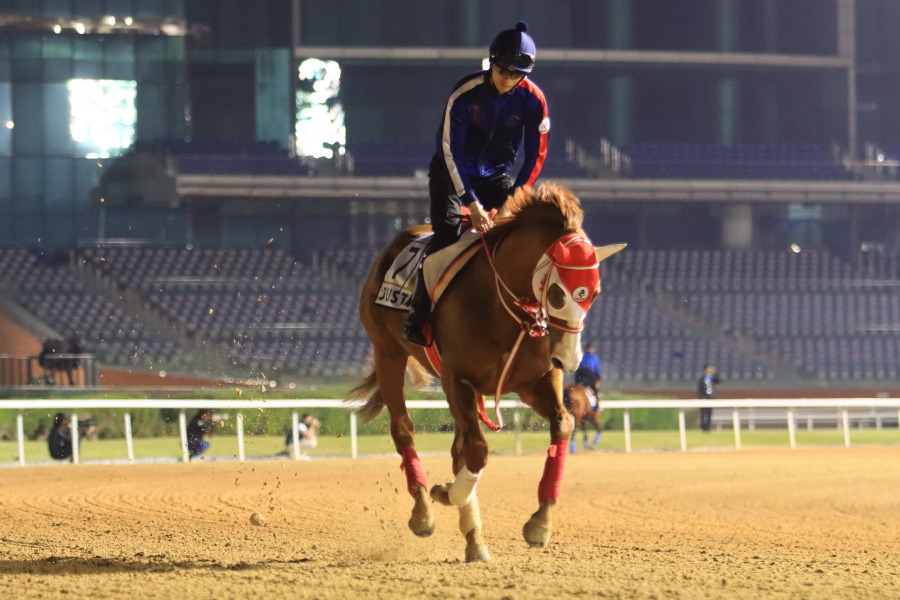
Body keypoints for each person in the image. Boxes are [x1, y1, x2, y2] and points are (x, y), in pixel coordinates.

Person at [403, 21, 551, 346]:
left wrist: (512, 203)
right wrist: (472, 203)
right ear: (492, 62)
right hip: (452, 176)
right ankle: (419, 314)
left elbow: (535, 157)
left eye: (516, 75)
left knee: (521, 231)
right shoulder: (465, 93)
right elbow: (450, 152)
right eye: (503, 70)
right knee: (446, 238)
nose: (507, 79)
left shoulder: (534, 101)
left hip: (496, 176)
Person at [697, 364, 720, 432]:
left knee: (709, 413)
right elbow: (700, 389)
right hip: (704, 399)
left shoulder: (711, 378)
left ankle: (708, 427)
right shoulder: (702, 379)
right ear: (705, 369)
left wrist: (716, 374)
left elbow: (718, 381)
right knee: (703, 413)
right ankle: (703, 427)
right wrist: (701, 397)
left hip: (711, 398)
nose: (710, 369)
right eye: (709, 368)